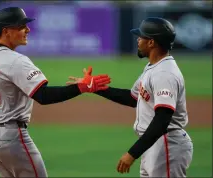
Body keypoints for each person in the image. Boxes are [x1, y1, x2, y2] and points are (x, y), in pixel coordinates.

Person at [0, 7, 110, 178]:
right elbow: (43, 96)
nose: (27, 30)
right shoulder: (16, 61)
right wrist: (81, 87)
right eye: (21, 26)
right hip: (10, 137)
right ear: (6, 31)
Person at [67, 17, 193, 177]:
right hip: (155, 144)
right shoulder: (153, 67)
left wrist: (132, 154)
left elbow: (162, 120)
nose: (138, 40)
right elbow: (132, 98)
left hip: (167, 143)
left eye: (141, 37)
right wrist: (94, 87)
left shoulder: (165, 74)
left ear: (151, 42)